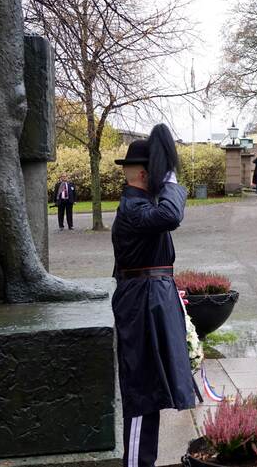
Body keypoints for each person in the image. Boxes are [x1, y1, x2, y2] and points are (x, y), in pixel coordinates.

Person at [111, 125, 195, 467]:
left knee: (153, 391)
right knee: (142, 395)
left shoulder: (142, 204)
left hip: (150, 299)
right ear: (146, 174)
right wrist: (173, 182)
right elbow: (171, 215)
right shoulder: (134, 206)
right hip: (141, 303)